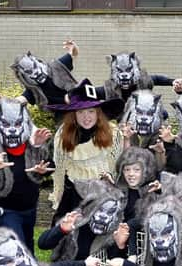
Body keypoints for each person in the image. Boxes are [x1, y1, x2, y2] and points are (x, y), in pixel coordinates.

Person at [0, 98, 53, 253]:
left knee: (28, 250)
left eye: (17, 124)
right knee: (18, 251)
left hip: (30, 209)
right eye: (5, 124)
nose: (12, 130)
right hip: (5, 211)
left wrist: (42, 163)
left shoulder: (33, 145)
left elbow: (51, 166)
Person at [45, 78, 125, 224]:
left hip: (103, 192)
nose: (86, 117)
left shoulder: (113, 132)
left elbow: (118, 163)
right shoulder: (64, 134)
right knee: (62, 237)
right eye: (81, 112)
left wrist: (112, 183)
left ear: (98, 113)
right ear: (74, 114)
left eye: (91, 111)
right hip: (75, 192)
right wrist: (58, 195)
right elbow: (59, 168)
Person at [11, 39, 79, 116]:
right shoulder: (34, 90)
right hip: (64, 117)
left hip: (81, 105)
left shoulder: (56, 67)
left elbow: (73, 54)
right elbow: (18, 101)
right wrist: (0, 101)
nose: (35, 72)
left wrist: (73, 47)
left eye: (34, 66)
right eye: (29, 72)